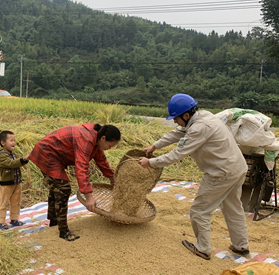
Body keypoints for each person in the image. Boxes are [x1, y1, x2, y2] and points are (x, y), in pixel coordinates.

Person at [138, 94, 249, 260]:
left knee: (199, 210)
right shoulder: (203, 116)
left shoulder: (199, 129)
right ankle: (241, 246)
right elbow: (176, 133)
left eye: (176, 118)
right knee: (233, 207)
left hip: (221, 173)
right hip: (237, 168)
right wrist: (155, 146)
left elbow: (178, 154)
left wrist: (151, 162)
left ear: (186, 115)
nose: (174, 121)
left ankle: (203, 248)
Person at [28, 123, 121, 241]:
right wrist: (89, 197)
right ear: (103, 138)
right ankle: (63, 231)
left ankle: (54, 222)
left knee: (57, 188)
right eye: (110, 145)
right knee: (63, 189)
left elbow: (102, 162)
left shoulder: (96, 141)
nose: (110, 148)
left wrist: (113, 179)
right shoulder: (86, 139)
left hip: (56, 155)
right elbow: (81, 168)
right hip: (47, 153)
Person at [0, 131, 30, 230]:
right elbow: (11, 164)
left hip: (17, 182)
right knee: (3, 203)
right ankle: (0, 221)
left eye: (14, 140)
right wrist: (23, 159)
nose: (14, 142)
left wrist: (24, 160)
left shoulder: (12, 154)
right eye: (11, 140)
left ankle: (14, 219)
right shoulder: (2, 156)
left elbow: (16, 163)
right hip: (7, 184)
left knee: (16, 202)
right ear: (3, 143)